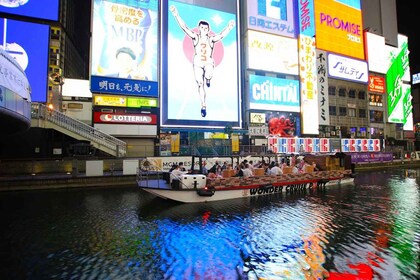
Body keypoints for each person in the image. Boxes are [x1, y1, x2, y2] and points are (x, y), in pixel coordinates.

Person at [170, 5, 235, 117]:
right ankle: (203, 105)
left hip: (208, 62)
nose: (203, 30)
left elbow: (221, 35)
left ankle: (208, 79)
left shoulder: (211, 39)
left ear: (208, 30)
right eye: (202, 28)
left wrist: (229, 27)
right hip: (197, 63)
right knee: (200, 84)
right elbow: (185, 28)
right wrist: (176, 14)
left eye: (206, 29)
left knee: (208, 74)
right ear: (199, 28)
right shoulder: (195, 37)